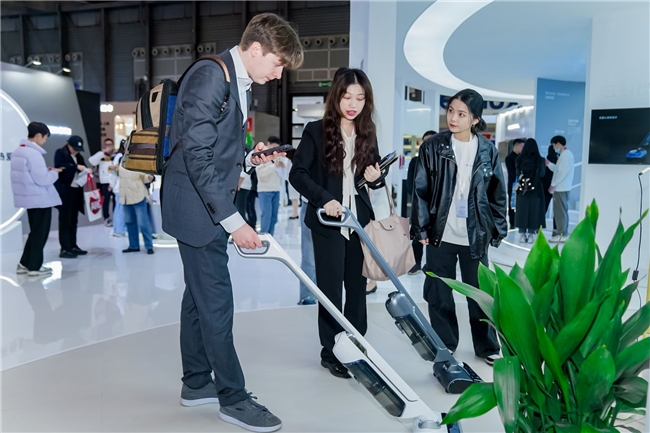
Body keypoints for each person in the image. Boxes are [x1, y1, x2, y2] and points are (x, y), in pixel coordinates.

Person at [160, 13, 303, 433]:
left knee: (198, 298)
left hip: (201, 206)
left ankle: (195, 383)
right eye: (277, 63)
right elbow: (197, 155)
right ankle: (233, 398)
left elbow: (213, 148)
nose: (278, 75)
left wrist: (248, 158)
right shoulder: (212, 75)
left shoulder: (236, 80)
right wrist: (234, 221)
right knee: (217, 301)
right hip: (198, 210)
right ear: (256, 49)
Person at [290, 67, 384, 379]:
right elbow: (297, 174)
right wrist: (324, 199)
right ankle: (331, 352)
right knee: (330, 290)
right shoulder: (316, 131)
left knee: (357, 289)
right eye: (347, 97)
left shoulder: (368, 133)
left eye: (360, 97)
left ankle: (356, 346)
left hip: (358, 223)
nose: (353, 104)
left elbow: (372, 180)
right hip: (328, 223)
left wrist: (376, 178)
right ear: (336, 97)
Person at [411, 88, 506, 366]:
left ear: (475, 119)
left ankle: (487, 346)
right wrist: (422, 228)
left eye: (461, 114)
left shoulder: (487, 150)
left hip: (475, 235)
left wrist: (497, 230)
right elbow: (420, 190)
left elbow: (497, 194)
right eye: (451, 110)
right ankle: (445, 344)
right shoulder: (433, 147)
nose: (453, 118)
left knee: (480, 294)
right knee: (439, 292)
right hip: (441, 234)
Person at [10, 122, 62, 276]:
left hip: (29, 198)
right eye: (45, 138)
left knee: (35, 232)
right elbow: (42, 179)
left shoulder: (19, 151)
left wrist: (46, 171)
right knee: (40, 233)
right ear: (39, 135)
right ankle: (35, 267)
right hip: (40, 199)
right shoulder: (34, 154)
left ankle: (24, 263)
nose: (45, 141)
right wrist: (54, 173)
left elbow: (29, 175)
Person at [54, 135, 91, 259]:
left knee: (74, 219)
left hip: (76, 190)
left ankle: (73, 245)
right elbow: (59, 166)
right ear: (68, 145)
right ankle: (65, 248)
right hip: (65, 191)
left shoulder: (79, 157)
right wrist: (75, 167)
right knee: (65, 219)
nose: (76, 151)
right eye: (74, 148)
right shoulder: (60, 153)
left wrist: (87, 170)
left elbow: (83, 167)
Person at [406, 129, 436, 276]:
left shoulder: (442, 161)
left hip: (436, 206)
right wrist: (417, 198)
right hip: (420, 205)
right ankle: (415, 263)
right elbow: (410, 183)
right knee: (418, 234)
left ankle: (432, 264)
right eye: (425, 141)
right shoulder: (415, 161)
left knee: (434, 236)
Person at [514, 138, 546, 243]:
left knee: (522, 210)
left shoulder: (519, 159)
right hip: (536, 188)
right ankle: (531, 235)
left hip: (522, 188)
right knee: (534, 211)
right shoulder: (540, 160)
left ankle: (522, 235)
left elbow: (517, 173)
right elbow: (542, 174)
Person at [118, 166, 154, 254]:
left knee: (143, 222)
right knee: (129, 222)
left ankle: (149, 246)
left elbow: (144, 177)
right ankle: (133, 245)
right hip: (126, 196)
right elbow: (118, 173)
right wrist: (112, 169)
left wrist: (149, 178)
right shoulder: (121, 162)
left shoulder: (137, 162)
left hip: (138, 195)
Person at [546, 135, 574, 242]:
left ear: (558, 143)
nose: (553, 147)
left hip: (561, 188)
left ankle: (561, 234)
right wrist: (549, 164)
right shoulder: (564, 154)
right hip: (563, 188)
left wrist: (553, 184)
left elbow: (562, 172)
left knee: (560, 212)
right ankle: (563, 233)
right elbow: (558, 169)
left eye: (554, 145)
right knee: (562, 211)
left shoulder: (565, 155)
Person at [89, 138, 116, 227]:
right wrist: (102, 153)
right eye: (106, 145)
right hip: (105, 182)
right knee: (106, 201)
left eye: (110, 144)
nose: (108, 146)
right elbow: (92, 161)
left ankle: (116, 218)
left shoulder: (116, 155)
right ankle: (106, 218)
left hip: (115, 181)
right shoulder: (100, 155)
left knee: (116, 201)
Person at [108, 140, 127, 237]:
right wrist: (111, 184)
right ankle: (119, 230)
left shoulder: (119, 156)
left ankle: (117, 229)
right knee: (120, 209)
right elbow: (114, 172)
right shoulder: (120, 157)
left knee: (118, 209)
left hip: (119, 187)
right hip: (120, 187)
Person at [505, 138, 525, 227]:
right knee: (512, 204)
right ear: (516, 145)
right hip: (513, 184)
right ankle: (512, 222)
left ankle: (519, 221)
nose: (522, 148)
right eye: (521, 146)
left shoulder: (522, 157)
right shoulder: (509, 158)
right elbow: (512, 172)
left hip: (522, 184)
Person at [541, 143, 559, 235]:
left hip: (545, 188)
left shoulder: (545, 161)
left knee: (543, 208)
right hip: (557, 188)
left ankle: (538, 227)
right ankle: (555, 230)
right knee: (557, 210)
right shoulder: (558, 160)